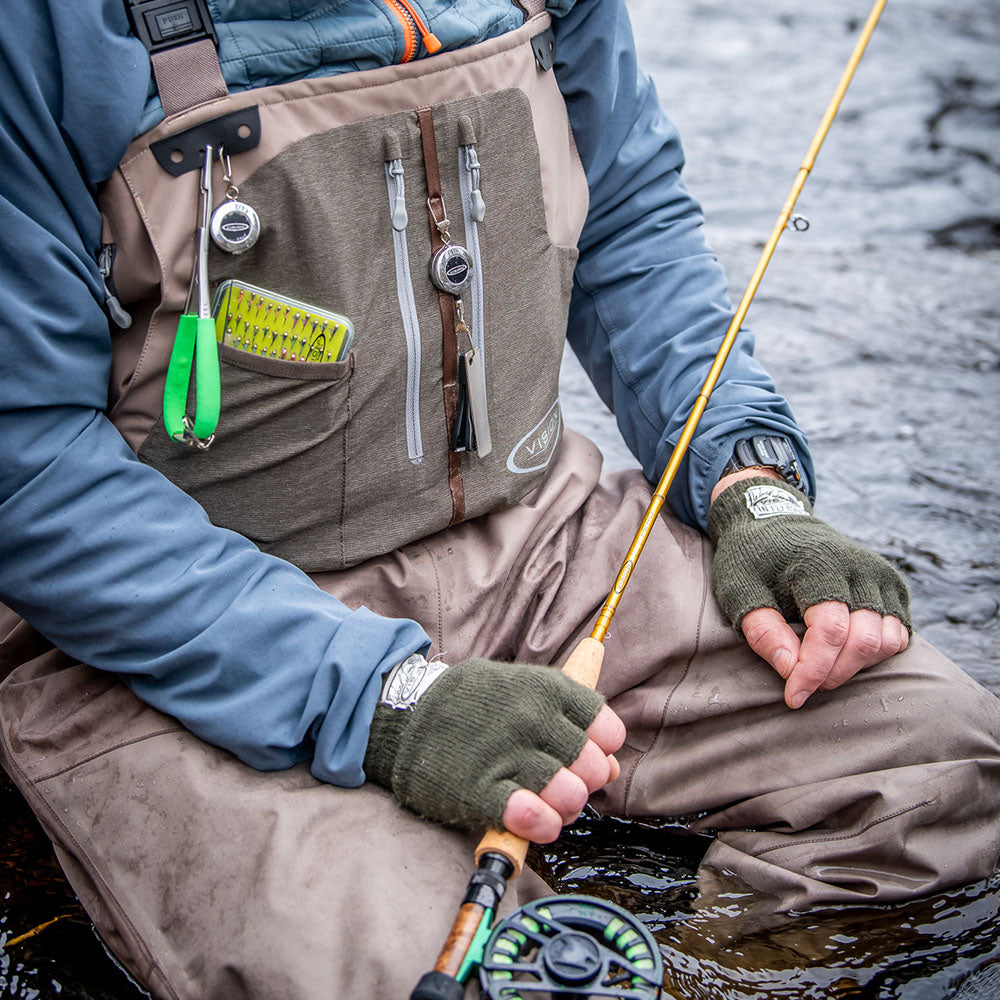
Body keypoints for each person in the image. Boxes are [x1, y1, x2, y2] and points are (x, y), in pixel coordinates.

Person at [1, 1, 997, 998]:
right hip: (180, 625)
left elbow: (628, 221)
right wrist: (380, 701)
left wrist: (747, 478)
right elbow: (29, 462)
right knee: (415, 969)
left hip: (533, 534)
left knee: (937, 772)